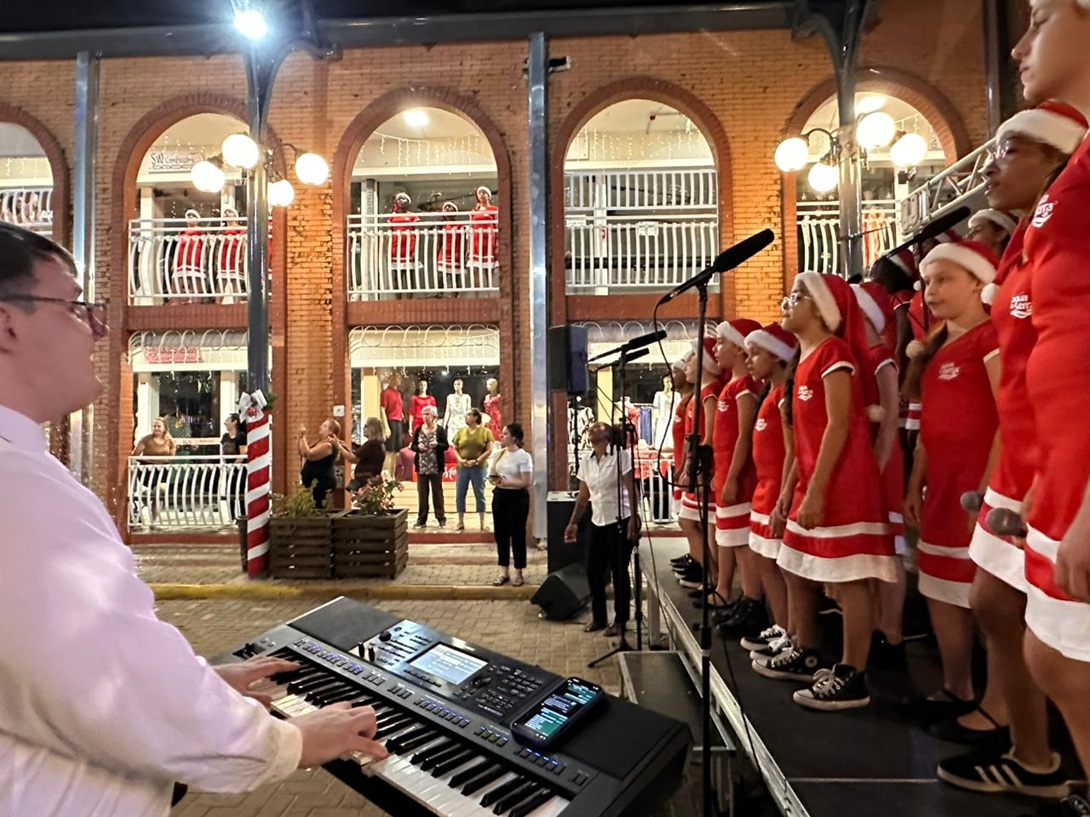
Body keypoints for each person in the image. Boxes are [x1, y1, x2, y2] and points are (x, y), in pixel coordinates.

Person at [0, 222, 385, 816]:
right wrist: (290, 741)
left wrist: (194, 682)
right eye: (75, 307)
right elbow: (116, 689)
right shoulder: (21, 491)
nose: (97, 328)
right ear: (7, 323)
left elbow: (59, 670)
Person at [937, 101, 1086, 798]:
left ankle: (1042, 758)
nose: (991, 168)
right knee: (997, 605)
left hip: (1056, 460)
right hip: (1026, 461)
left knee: (1061, 647)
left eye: (1010, 150)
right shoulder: (1030, 241)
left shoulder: (1067, 227)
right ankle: (1031, 753)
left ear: (1056, 159)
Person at [1007, 8, 1090, 813]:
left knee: (1060, 656)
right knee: (1052, 653)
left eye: (1038, 18)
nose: (1018, 44)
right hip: (1064, 466)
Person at [760, 272, 896, 712]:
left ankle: (853, 672)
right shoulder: (805, 359)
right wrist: (789, 492)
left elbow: (840, 425)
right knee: (795, 566)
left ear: (822, 310)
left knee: (849, 579)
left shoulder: (834, 353)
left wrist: (817, 490)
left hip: (841, 484)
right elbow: (802, 441)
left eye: (797, 297)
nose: (787, 302)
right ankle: (808, 648)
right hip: (814, 482)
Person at [902, 241, 1001, 727]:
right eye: (928, 282)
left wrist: (987, 488)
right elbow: (929, 428)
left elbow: (1010, 416)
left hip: (978, 489)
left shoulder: (991, 337)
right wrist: (915, 483)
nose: (932, 291)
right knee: (940, 588)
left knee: (990, 602)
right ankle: (956, 687)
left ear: (979, 283)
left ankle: (998, 708)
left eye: (945, 280)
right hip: (941, 488)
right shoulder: (935, 347)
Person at [853, 281, 909, 667]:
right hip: (867, 466)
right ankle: (874, 624)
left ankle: (892, 631)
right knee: (873, 552)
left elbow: (889, 421)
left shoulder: (881, 357)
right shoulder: (863, 357)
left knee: (889, 552)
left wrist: (875, 468)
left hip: (881, 467)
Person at [737, 324, 797, 664]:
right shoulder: (768, 395)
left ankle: (792, 632)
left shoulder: (785, 397)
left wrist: (784, 495)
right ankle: (781, 624)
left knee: (780, 568)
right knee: (764, 563)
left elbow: (792, 451)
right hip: (763, 490)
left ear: (777, 356)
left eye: (756, 353)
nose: (749, 360)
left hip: (776, 491)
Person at [707, 319, 765, 642]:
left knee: (744, 544)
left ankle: (753, 601)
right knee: (736, 542)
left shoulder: (744, 387)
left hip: (740, 478)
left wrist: (732, 477)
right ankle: (746, 598)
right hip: (727, 472)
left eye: (721, 343)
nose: (716, 349)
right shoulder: (732, 385)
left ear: (740, 349)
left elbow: (744, 435)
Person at [565, 421, 640, 636]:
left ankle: (621, 619)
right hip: (597, 520)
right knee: (593, 570)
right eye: (590, 430)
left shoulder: (621, 456)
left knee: (619, 571)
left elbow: (631, 488)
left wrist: (634, 517)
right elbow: (583, 496)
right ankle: (599, 617)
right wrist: (573, 522)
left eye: (596, 428)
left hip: (620, 519)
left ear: (607, 435)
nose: (591, 431)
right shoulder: (587, 461)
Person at [674, 337, 723, 591]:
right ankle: (709, 574)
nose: (687, 365)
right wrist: (685, 464)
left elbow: (710, 435)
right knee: (692, 521)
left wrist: (696, 465)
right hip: (696, 466)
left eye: (692, 359)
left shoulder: (710, 392)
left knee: (707, 525)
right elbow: (689, 436)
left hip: (705, 469)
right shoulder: (698, 395)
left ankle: (715, 578)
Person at [489, 423, 532, 586]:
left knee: (517, 534)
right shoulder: (499, 454)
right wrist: (496, 480)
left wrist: (508, 483)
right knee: (501, 534)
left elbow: (526, 481)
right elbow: (492, 474)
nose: (501, 436)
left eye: (505, 434)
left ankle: (519, 571)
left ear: (514, 437)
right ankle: (503, 570)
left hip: (517, 498)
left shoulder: (523, 456)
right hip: (500, 496)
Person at [453, 408, 494, 532]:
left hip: (479, 467)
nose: (466, 417)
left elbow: (489, 450)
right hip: (463, 467)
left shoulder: (485, 432)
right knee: (460, 494)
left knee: (479, 493)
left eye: (469, 415)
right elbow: (455, 448)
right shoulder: (461, 432)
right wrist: (460, 459)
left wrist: (477, 460)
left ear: (476, 417)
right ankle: (460, 521)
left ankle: (483, 522)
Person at [132, 416, 177, 527]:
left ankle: (147, 498)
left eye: (159, 426)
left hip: (162, 470)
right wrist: (149, 461)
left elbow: (171, 457)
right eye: (154, 426)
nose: (156, 428)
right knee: (157, 493)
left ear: (164, 428)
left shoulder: (170, 441)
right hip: (147, 470)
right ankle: (154, 520)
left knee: (160, 490)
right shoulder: (146, 439)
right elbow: (135, 455)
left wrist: (162, 462)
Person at [410, 404, 448, 528]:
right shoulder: (418, 429)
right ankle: (421, 519)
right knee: (422, 494)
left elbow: (446, 446)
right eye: (423, 414)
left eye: (427, 414)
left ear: (434, 416)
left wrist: (437, 445)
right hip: (422, 466)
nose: (425, 417)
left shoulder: (440, 430)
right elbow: (413, 446)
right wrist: (418, 447)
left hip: (436, 466)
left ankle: (441, 518)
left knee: (437, 493)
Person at [297, 418, 340, 510]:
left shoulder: (328, 445)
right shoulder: (318, 442)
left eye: (324, 426)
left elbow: (310, 454)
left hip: (322, 483)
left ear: (330, 431)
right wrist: (300, 438)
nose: (320, 427)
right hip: (312, 483)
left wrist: (303, 437)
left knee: (318, 508)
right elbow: (302, 452)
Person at [336, 417, 386, 494]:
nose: (363, 428)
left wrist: (338, 446)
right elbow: (359, 457)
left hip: (364, 481)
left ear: (372, 428)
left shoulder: (371, 444)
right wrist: (345, 448)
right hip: (372, 481)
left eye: (366, 426)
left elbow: (353, 458)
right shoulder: (379, 445)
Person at [380, 372, 405, 474]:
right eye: (397, 378)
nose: (399, 380)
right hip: (391, 421)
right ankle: (385, 474)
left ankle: (392, 474)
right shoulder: (386, 393)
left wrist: (401, 414)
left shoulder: (398, 393)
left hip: (398, 421)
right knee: (389, 450)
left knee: (396, 450)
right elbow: (382, 409)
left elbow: (398, 406)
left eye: (399, 378)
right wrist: (386, 426)